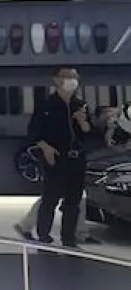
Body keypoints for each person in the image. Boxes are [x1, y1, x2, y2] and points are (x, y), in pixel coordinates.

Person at [29, 66, 91, 248]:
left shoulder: (80, 105)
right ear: (56, 79)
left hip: (77, 158)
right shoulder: (46, 105)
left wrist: (82, 122)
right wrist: (45, 147)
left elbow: (88, 132)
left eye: (75, 76)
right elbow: (34, 132)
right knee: (50, 198)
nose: (72, 80)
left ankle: (69, 239)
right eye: (68, 76)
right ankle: (44, 236)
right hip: (55, 158)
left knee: (73, 201)